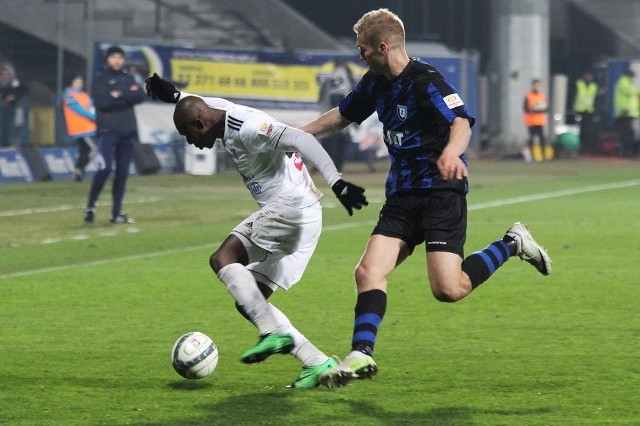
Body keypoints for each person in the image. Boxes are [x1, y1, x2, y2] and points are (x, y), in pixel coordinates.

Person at [298, 8, 553, 388]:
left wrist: (451, 152)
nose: (359, 55)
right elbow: (340, 117)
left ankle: (512, 242)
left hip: (440, 194)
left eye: (362, 48)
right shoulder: (375, 82)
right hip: (402, 196)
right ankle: (361, 355)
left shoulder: (426, 81)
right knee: (368, 272)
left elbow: (461, 121)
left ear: (382, 47)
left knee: (448, 289)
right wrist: (293, 136)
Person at [144, 73, 368, 388]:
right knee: (250, 298)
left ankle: (273, 333)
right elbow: (189, 104)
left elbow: (301, 139)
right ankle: (318, 363)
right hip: (306, 217)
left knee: (223, 259)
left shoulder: (249, 128)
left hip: (290, 209)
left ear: (199, 125)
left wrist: (337, 182)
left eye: (188, 135)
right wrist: (172, 93)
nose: (191, 143)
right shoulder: (213, 112)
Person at [84, 46, 145, 224]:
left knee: (122, 173)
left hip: (128, 132)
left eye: (120, 57)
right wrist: (127, 96)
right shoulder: (101, 79)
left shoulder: (128, 77)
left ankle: (116, 213)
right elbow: (103, 102)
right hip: (108, 132)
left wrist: (119, 95)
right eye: (114, 57)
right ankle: (90, 208)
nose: (117, 60)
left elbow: (140, 96)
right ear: (108, 59)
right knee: (104, 169)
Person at [316, 59, 358, 171]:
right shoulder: (347, 77)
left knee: (328, 143)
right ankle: (337, 168)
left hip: (329, 115)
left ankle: (322, 167)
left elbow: (321, 99)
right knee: (341, 144)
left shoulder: (329, 78)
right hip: (344, 116)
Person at [61, 74, 98, 182]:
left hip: (88, 127)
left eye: (80, 81)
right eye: (77, 81)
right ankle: (79, 169)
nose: (79, 83)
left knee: (85, 151)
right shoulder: (69, 96)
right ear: (71, 82)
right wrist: (96, 117)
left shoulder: (84, 95)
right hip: (80, 128)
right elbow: (79, 110)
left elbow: (92, 107)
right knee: (93, 149)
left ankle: (78, 171)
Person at [613, 68, 640, 158]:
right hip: (624, 113)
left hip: (628, 114)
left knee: (629, 133)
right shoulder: (623, 82)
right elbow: (628, 92)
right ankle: (627, 152)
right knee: (627, 134)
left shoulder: (628, 83)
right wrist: (637, 92)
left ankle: (629, 151)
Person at [0, 63, 27, 148]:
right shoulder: (2, 83)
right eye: (2, 73)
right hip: (7, 106)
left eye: (6, 73)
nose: (4, 75)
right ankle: (6, 142)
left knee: (15, 124)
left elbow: (16, 91)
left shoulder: (14, 81)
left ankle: (15, 143)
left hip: (17, 105)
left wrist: (12, 97)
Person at [523, 79, 550, 162]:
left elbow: (545, 108)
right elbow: (525, 108)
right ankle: (531, 156)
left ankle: (543, 156)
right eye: (535, 85)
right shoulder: (528, 95)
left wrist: (542, 109)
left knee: (542, 138)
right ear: (532, 86)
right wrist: (533, 110)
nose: (536, 87)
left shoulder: (542, 96)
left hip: (540, 121)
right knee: (531, 139)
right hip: (531, 121)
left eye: (538, 85)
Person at [572, 70, 599, 154]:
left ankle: (586, 148)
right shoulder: (578, 84)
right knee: (578, 130)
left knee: (588, 131)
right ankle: (577, 147)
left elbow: (596, 99)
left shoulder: (594, 86)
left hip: (589, 111)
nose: (588, 77)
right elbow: (573, 95)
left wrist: (596, 110)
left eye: (590, 75)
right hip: (579, 110)